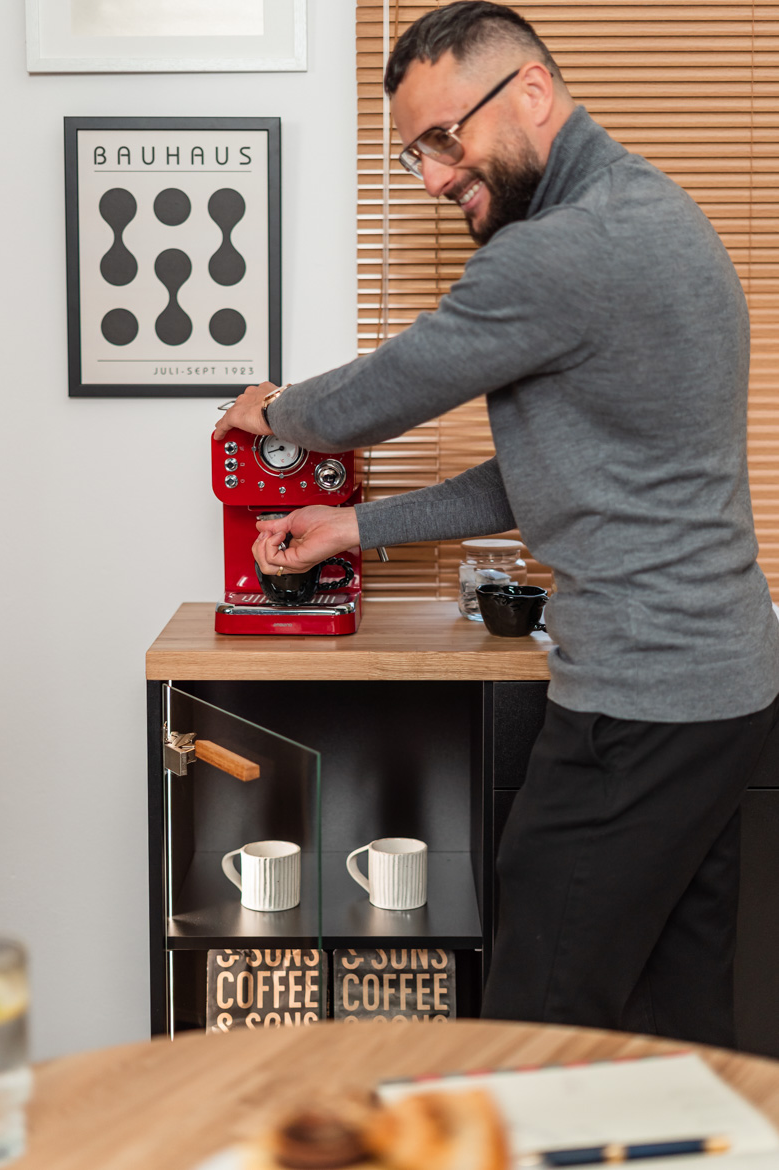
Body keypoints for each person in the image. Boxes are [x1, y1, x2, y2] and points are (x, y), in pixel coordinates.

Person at [214, 1, 779, 1047]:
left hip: (641, 698)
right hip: (719, 688)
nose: (433, 177)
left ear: (532, 91)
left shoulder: (562, 251)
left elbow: (377, 395)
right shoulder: (654, 213)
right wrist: (353, 527)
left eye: (445, 137)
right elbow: (545, 478)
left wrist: (274, 411)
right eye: (415, 154)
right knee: (676, 1014)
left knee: (534, 1012)